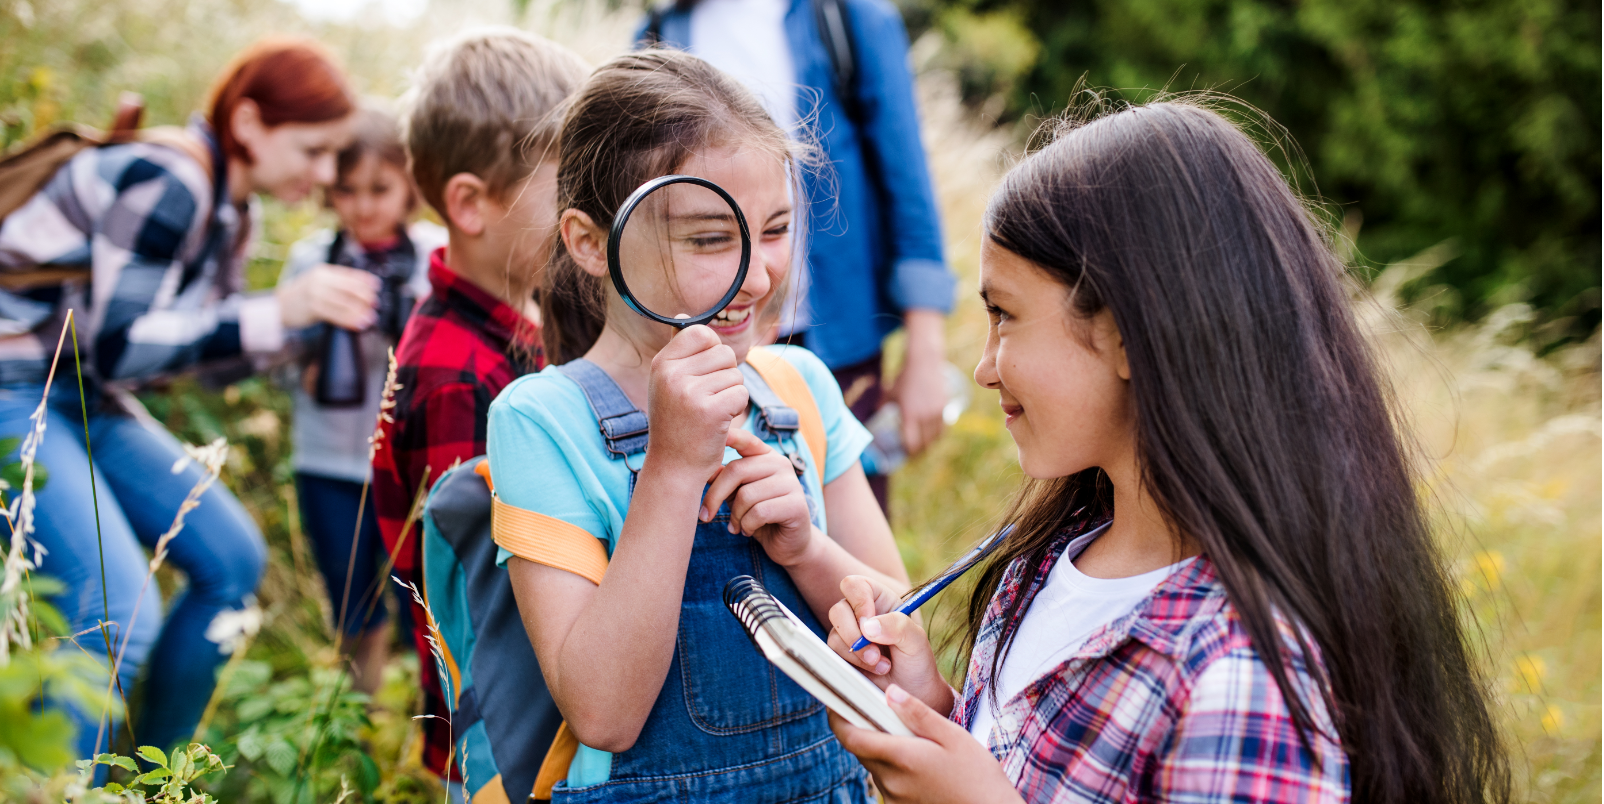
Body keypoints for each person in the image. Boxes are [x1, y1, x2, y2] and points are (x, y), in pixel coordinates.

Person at [825, 101, 1512, 804]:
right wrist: (926, 708)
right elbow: (1017, 766)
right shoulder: (1045, 560)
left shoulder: (1241, 676)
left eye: (1005, 315)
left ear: (1125, 333)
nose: (986, 366)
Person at [488, 50, 910, 802]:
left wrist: (805, 547)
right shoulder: (541, 421)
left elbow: (903, 652)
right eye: (711, 239)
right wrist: (674, 469)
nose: (757, 277)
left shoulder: (800, 390)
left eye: (775, 229)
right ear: (591, 243)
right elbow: (604, 713)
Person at [0, 38, 364, 757]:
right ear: (252, 122)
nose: (324, 175)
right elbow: (122, 346)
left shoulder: (233, 214)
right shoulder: (173, 178)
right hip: (14, 385)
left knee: (231, 559)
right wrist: (275, 311)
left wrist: (303, 333)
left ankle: (152, 777)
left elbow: (191, 358)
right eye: (314, 150)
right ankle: (65, 789)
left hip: (81, 394)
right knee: (112, 610)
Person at [368, 27, 588, 789]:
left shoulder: (517, 329)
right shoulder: (458, 375)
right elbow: (481, 595)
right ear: (471, 204)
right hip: (510, 742)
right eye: (569, 187)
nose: (588, 213)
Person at [639, 0, 956, 513]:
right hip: (710, 331)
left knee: (848, 518)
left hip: (839, 344)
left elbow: (907, 179)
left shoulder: (848, 19)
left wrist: (926, 346)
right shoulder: (661, 30)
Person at [276, 103, 443, 695]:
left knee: (424, 610)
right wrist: (310, 368)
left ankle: (429, 731)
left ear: (409, 187)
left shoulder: (432, 258)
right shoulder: (312, 260)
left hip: (411, 463)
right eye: (347, 191)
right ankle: (358, 724)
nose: (364, 205)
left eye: (380, 188)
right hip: (328, 459)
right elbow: (275, 360)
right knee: (351, 601)